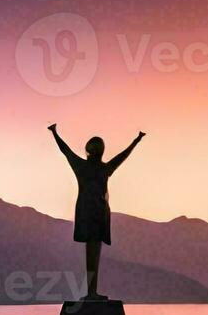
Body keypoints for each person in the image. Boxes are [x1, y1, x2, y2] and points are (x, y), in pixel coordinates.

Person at [49, 124, 145, 299]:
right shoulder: (104, 169)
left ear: (88, 150)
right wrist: (135, 142)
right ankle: (91, 292)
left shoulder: (82, 166)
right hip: (99, 213)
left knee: (91, 253)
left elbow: (66, 150)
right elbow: (122, 156)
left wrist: (55, 133)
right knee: (94, 253)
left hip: (88, 213)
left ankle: (91, 292)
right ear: (101, 151)